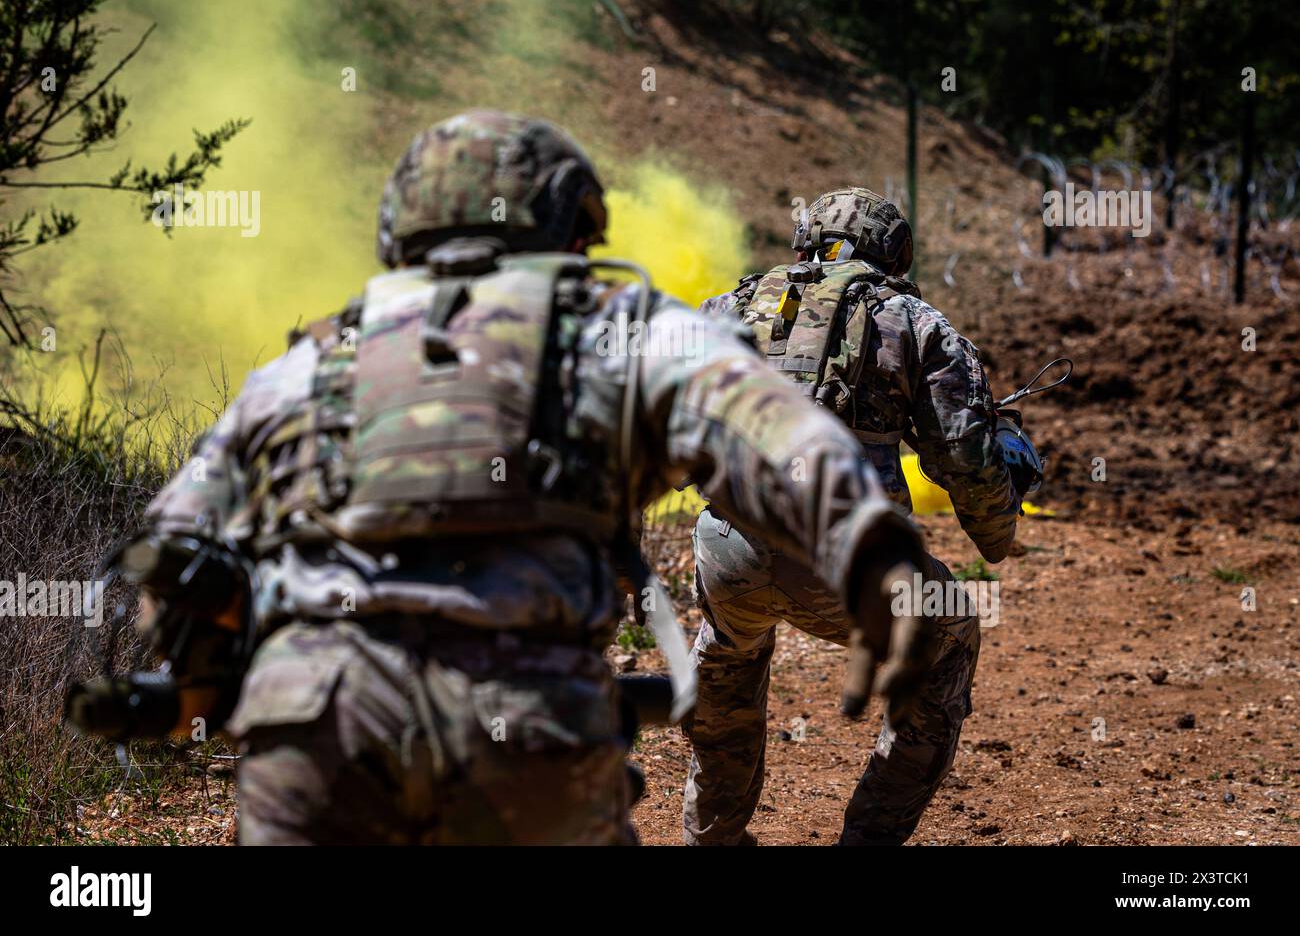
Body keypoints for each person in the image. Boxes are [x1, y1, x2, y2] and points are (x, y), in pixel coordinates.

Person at [117, 117, 930, 845]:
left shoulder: (305, 365)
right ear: (569, 227)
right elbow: (779, 433)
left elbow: (172, 555)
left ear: (401, 231)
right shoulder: (622, 332)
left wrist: (217, 679)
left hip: (315, 750)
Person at [685, 186, 1022, 846]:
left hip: (729, 552)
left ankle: (711, 836)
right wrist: (1001, 511)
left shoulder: (726, 307)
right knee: (951, 631)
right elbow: (969, 468)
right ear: (892, 252)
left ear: (805, 241)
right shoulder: (913, 322)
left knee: (728, 656)